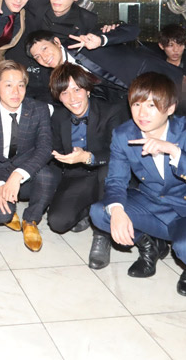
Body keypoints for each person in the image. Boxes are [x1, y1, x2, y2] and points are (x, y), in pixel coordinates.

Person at [90, 72, 186, 296]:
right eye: (136, 104)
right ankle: (150, 245)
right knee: (101, 212)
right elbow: (116, 179)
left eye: (151, 106)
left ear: (170, 108)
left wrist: (174, 151)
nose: (142, 113)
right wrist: (117, 211)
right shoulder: (124, 134)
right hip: (153, 203)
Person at [48, 63, 128, 269]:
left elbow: (119, 153)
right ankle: (88, 210)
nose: (72, 98)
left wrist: (88, 157)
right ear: (59, 97)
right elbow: (54, 150)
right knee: (57, 222)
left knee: (106, 172)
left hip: (106, 172)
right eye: (65, 93)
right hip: (77, 175)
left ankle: (102, 234)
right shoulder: (58, 117)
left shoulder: (112, 111)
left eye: (77, 90)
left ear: (88, 90)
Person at [0, 60, 58, 252]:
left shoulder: (39, 110)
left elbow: (45, 148)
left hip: (26, 171)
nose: (16, 92)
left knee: (47, 176)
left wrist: (18, 174)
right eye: (8, 85)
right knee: (1, 215)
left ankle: (31, 220)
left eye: (21, 85)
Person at [26, 29, 185, 104]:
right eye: (37, 56)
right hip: (136, 100)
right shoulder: (57, 78)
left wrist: (102, 39)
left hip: (149, 72)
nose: (43, 57)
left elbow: (132, 30)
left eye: (44, 49)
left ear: (56, 42)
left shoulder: (81, 39)